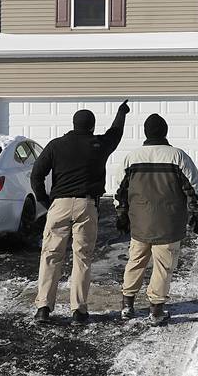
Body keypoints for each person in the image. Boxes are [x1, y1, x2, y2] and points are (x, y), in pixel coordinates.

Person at [30, 101, 130, 325]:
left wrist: (46, 202)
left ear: (73, 125)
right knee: (82, 258)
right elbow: (116, 133)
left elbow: (36, 175)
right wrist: (121, 113)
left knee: (50, 256)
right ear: (92, 127)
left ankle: (43, 308)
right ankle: (79, 311)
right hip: (86, 205)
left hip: (59, 205)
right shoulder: (98, 144)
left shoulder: (56, 145)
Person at [115, 113, 198, 326]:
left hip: (140, 222)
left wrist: (121, 215)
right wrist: (196, 213)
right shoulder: (178, 157)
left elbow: (120, 190)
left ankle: (127, 304)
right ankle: (156, 309)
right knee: (163, 266)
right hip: (169, 223)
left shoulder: (132, 158)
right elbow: (192, 188)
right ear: (165, 132)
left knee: (136, 261)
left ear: (145, 132)